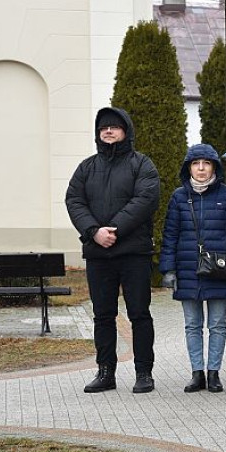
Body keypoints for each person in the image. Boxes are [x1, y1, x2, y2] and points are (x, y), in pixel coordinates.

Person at [65, 107, 160, 394]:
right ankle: (105, 372)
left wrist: (114, 230)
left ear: (125, 131)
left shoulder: (142, 165)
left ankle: (144, 372)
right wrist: (94, 232)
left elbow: (146, 199)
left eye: (114, 127)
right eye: (103, 127)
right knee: (103, 316)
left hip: (133, 253)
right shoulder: (86, 168)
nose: (108, 131)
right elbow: (74, 200)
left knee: (139, 314)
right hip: (98, 254)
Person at [159, 143, 226, 393]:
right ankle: (197, 372)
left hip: (219, 270)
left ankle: (214, 373)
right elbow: (170, 236)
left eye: (206, 163)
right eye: (195, 163)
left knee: (218, 324)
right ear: (188, 167)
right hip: (187, 268)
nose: (201, 168)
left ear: (214, 167)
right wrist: (168, 270)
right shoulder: (179, 196)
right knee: (192, 324)